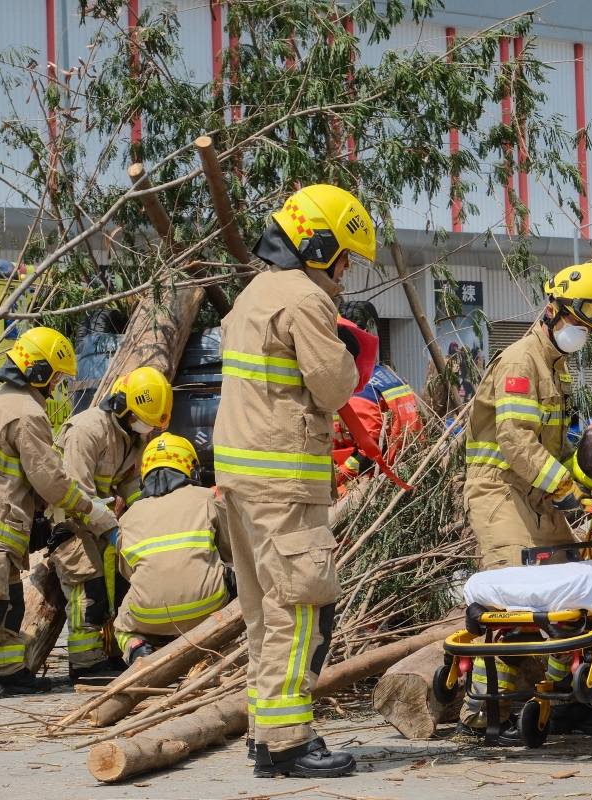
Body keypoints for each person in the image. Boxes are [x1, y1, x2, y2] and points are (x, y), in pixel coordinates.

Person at [216, 184, 367, 779]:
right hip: (283, 482)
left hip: (241, 481)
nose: (345, 272)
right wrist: (348, 351)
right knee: (302, 608)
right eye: (344, 258)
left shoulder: (251, 294)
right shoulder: (306, 299)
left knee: (263, 610)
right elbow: (332, 387)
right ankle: (289, 744)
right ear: (320, 245)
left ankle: (265, 735)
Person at [461, 263, 592, 744]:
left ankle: (564, 702)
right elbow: (516, 443)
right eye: (578, 321)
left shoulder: (555, 365)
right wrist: (566, 489)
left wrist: (591, 483)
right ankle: (484, 715)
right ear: (553, 309)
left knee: (573, 590)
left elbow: (554, 446)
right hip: (499, 492)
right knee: (512, 604)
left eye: (590, 327)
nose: (582, 333)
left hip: (536, 492)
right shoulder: (520, 362)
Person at [0, 328, 116, 699]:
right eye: (56, 378)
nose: (56, 386)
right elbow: (51, 481)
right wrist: (91, 510)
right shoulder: (26, 412)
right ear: (39, 371)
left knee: (7, 603)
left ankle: (10, 672)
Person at [50, 366, 172, 680]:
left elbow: (131, 484)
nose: (147, 429)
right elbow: (74, 490)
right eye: (143, 421)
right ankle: (85, 664)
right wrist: (109, 527)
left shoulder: (133, 437)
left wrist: (148, 513)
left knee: (121, 587)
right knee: (88, 587)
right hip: (70, 521)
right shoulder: (87, 429)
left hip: (100, 521)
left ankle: (117, 652)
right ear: (121, 406)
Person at [114, 433, 232, 664]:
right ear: (191, 469)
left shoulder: (128, 517)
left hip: (148, 614)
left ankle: (138, 648)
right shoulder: (207, 498)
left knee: (121, 626)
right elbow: (229, 550)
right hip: (210, 604)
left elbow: (128, 572)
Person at [334, 364, 422, 481]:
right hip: (415, 459)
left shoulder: (358, 393)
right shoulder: (380, 373)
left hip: (392, 473)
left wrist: (338, 477)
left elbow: (370, 452)